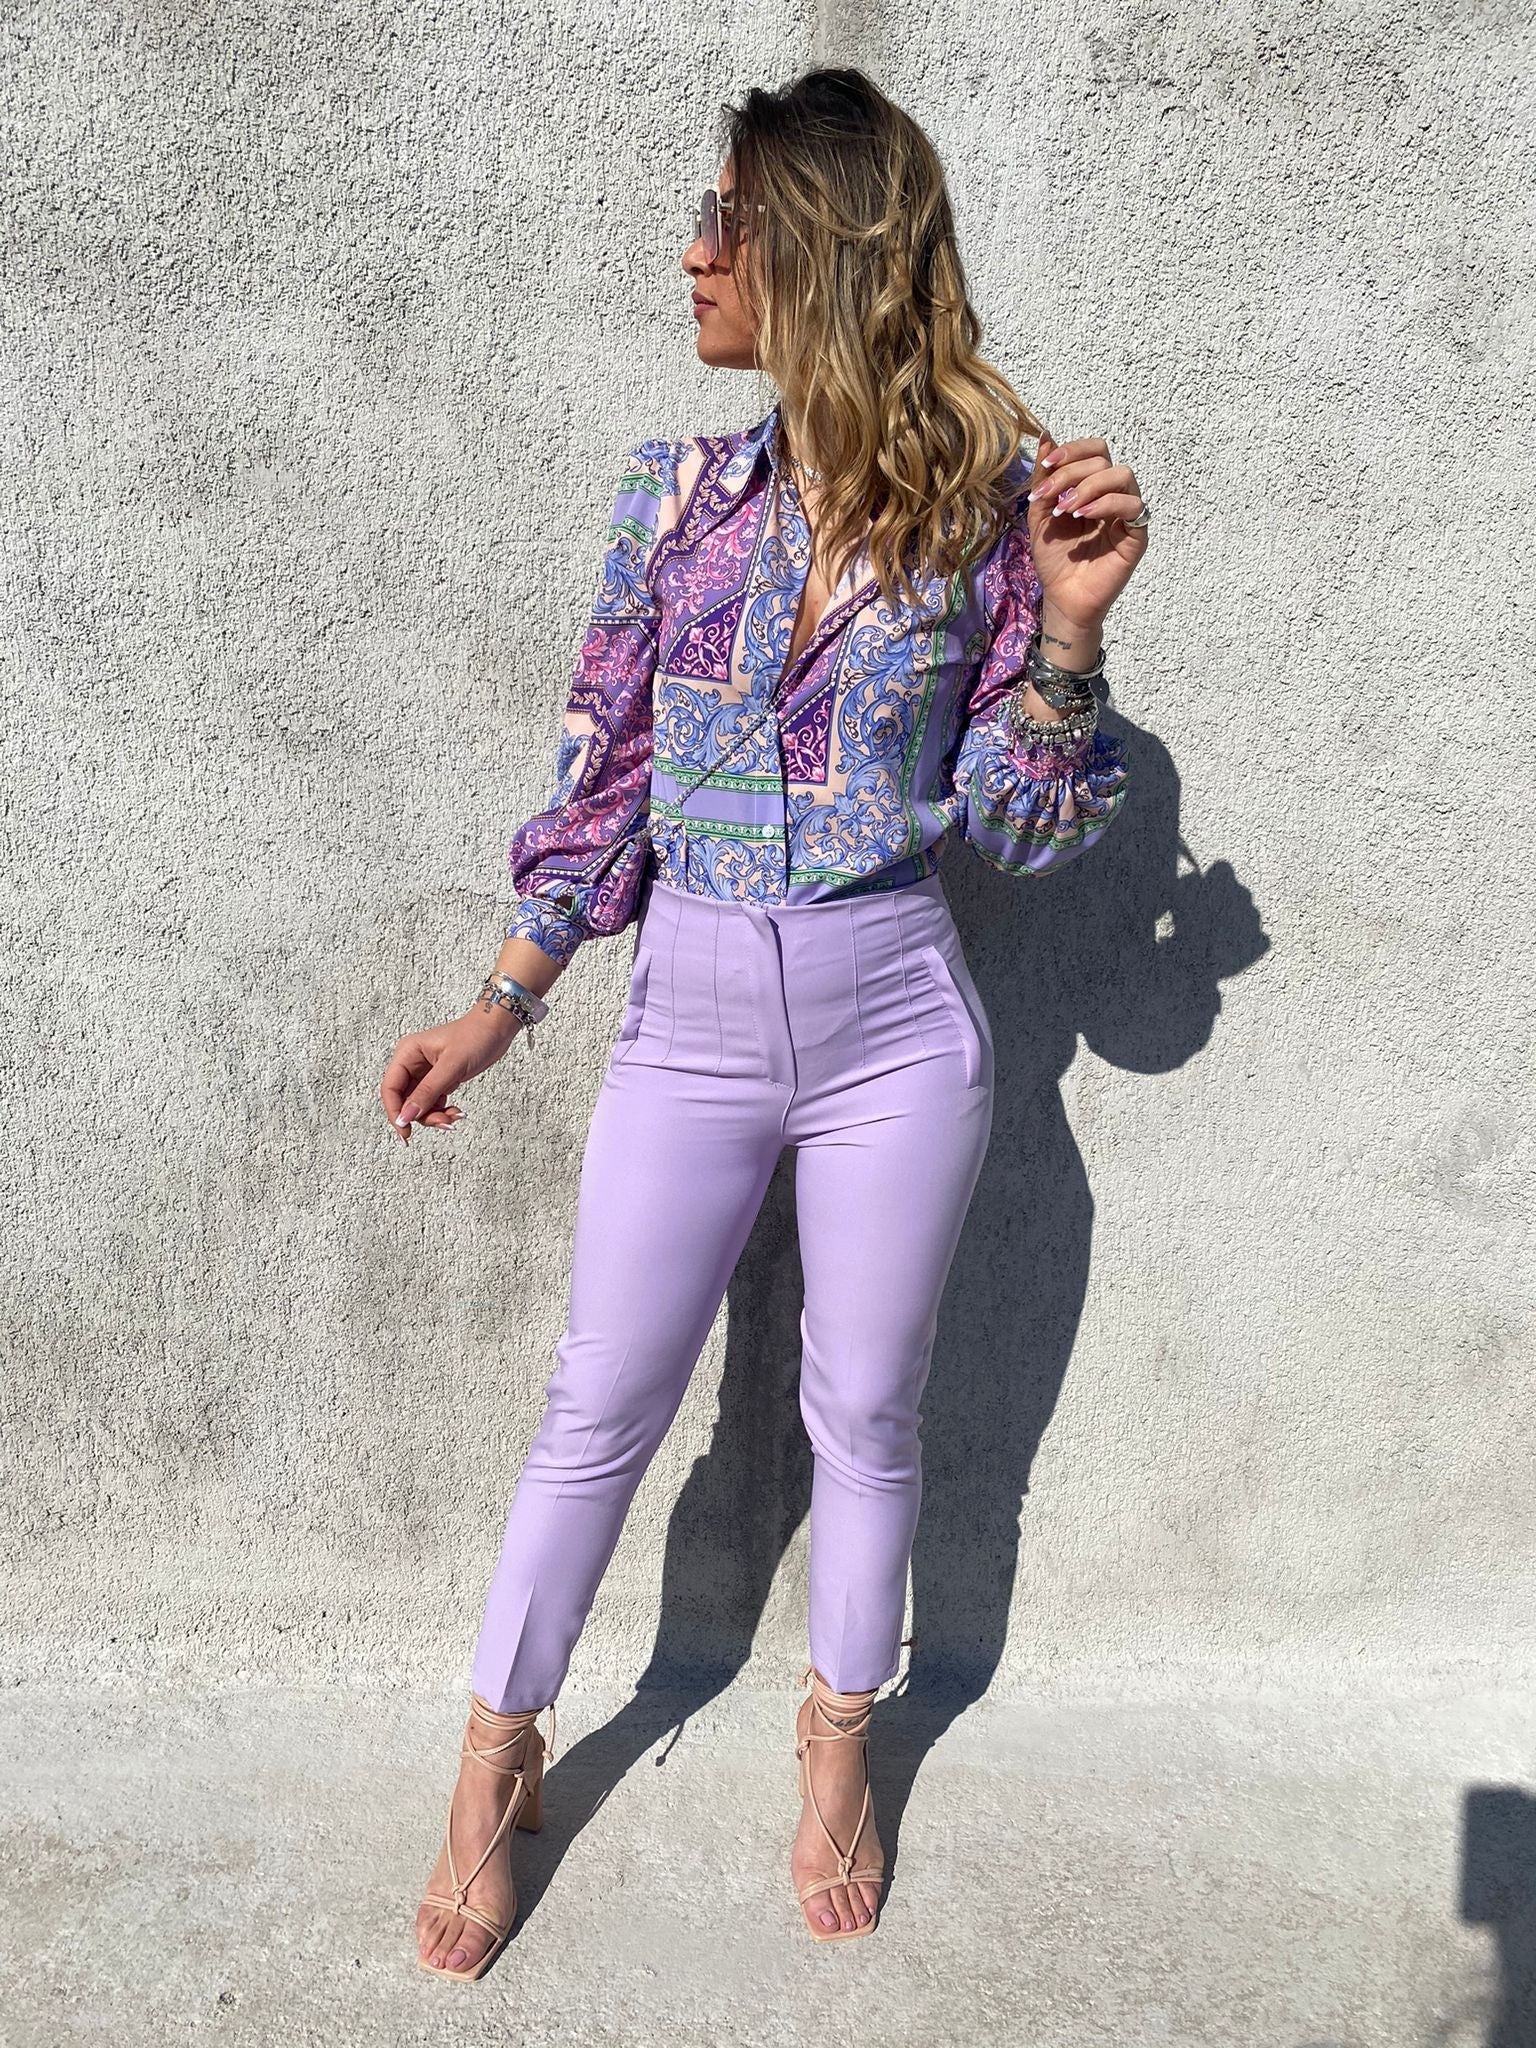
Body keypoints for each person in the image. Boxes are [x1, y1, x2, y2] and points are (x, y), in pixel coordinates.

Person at [383, 65, 1148, 1980]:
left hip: (898, 1020)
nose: (695, 252)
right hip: (695, 1015)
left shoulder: (991, 518)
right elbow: (606, 776)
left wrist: (1067, 631)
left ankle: (839, 1750)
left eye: (728, 220)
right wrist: (502, 1001)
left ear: (823, 251)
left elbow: (1022, 827)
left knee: (866, 1408)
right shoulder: (675, 499)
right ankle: (496, 1758)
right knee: (601, 1400)